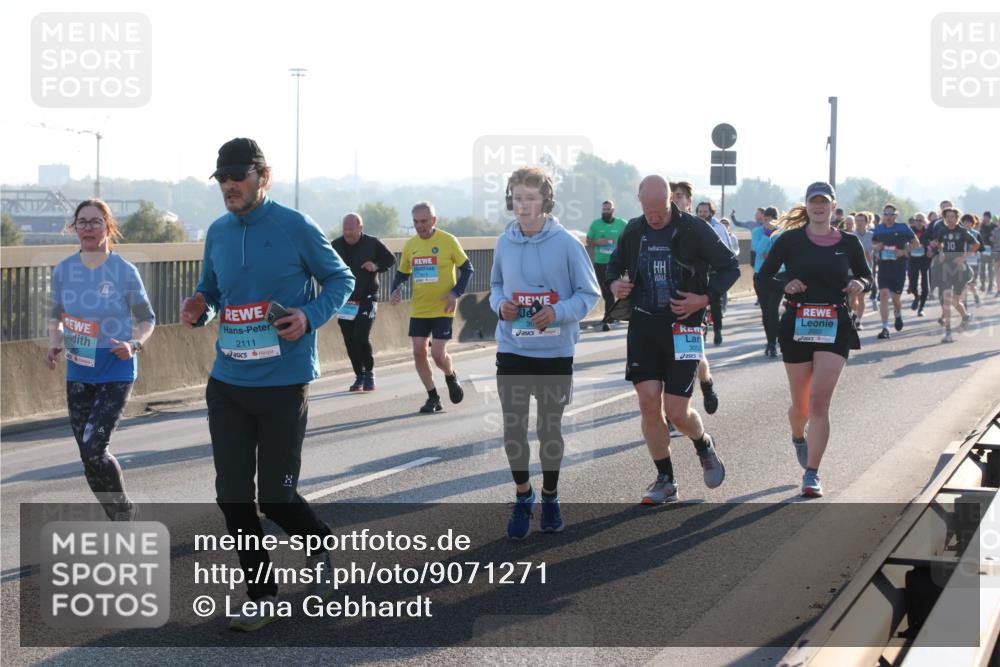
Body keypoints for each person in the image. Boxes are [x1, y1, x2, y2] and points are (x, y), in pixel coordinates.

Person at [180, 138, 356, 631]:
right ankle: (261, 595)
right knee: (233, 496)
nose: (230, 186)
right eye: (223, 179)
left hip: (283, 382)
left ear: (264, 176)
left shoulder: (294, 225)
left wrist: (309, 315)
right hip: (229, 381)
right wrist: (200, 307)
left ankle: (316, 540)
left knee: (275, 498)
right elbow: (212, 291)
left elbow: (341, 280)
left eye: (239, 176)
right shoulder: (216, 232)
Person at [605, 175, 739, 504]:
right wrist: (615, 286)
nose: (654, 217)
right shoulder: (635, 229)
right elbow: (614, 265)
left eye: (660, 210)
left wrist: (703, 299)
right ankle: (665, 479)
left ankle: (703, 443)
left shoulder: (693, 228)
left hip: (685, 326)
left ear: (671, 201)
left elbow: (730, 267)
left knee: (677, 411)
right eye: (647, 210)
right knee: (648, 402)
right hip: (644, 325)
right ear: (640, 203)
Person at [490, 167, 600, 539]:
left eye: (530, 198)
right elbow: (495, 286)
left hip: (554, 352)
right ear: (510, 201)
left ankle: (550, 496)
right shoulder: (504, 242)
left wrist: (557, 312)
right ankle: (524, 495)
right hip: (513, 348)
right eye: (517, 198)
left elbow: (589, 295)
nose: (523, 206)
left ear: (546, 201)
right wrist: (500, 304)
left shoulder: (567, 243)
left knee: (548, 429)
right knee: (513, 428)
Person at [758, 182, 872, 497]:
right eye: (814, 202)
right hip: (797, 322)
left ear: (833, 206)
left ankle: (812, 473)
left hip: (835, 323)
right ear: (807, 205)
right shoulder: (789, 240)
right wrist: (786, 282)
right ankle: (798, 435)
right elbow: (764, 275)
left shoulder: (849, 242)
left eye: (824, 202)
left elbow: (866, 275)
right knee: (801, 405)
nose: (819, 207)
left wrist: (859, 283)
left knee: (819, 402)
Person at [46, 198, 156, 521]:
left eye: (96, 222)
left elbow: (148, 318)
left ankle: (124, 512)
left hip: (116, 368)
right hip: (79, 371)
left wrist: (134, 343)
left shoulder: (124, 271)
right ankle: (119, 516)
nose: (88, 228)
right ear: (74, 227)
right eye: (82, 222)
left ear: (108, 227)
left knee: (94, 445)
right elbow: (56, 316)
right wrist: (54, 343)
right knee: (87, 455)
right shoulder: (65, 270)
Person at [390, 201, 473, 413]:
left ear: (434, 220)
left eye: (424, 221)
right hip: (420, 308)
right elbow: (402, 272)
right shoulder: (411, 245)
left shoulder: (448, 241)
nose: (420, 226)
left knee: (437, 354)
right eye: (416, 222)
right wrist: (396, 288)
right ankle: (433, 397)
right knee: (418, 352)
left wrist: (455, 293)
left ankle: (450, 375)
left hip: (443, 307)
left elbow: (467, 268)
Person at [670, 182, 720, 415]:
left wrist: (706, 294)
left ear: (689, 201)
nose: (674, 200)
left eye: (679, 196)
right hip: (662, 306)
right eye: (670, 195)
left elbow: (725, 262)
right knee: (667, 362)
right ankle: (672, 413)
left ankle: (706, 383)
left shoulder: (700, 229)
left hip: (693, 305)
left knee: (693, 356)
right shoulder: (655, 227)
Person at [331, 212, 396, 391]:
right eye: (345, 229)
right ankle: (359, 376)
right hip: (346, 300)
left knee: (361, 336)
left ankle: (369, 373)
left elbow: (390, 259)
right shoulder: (335, 245)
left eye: (351, 229)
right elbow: (326, 266)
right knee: (349, 339)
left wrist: (375, 266)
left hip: (368, 296)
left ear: (360, 228)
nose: (347, 233)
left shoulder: (372, 243)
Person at [929, 207, 979, 343]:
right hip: (946, 268)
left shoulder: (962, 231)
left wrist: (964, 257)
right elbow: (939, 244)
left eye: (952, 217)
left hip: (960, 270)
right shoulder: (942, 231)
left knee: (955, 301)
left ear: (957, 218)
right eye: (947, 217)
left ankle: (965, 316)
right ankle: (948, 332)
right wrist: (940, 252)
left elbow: (976, 245)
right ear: (944, 218)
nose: (950, 219)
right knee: (946, 300)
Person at [871, 203, 918, 339]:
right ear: (883, 215)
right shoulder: (878, 229)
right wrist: (877, 246)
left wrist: (903, 251)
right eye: (886, 214)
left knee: (896, 299)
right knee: (884, 294)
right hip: (884, 266)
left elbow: (916, 243)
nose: (888, 216)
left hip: (899, 267)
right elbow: (873, 244)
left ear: (896, 215)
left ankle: (898, 314)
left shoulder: (903, 227)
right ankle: (885, 327)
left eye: (891, 214)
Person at [586, 200, 629, 331]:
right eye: (604, 209)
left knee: (615, 289)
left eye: (608, 209)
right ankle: (612, 314)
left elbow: (630, 238)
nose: (606, 211)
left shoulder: (622, 224)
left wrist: (619, 243)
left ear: (613, 210)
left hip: (617, 263)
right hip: (601, 261)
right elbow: (588, 240)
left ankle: (611, 315)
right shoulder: (596, 224)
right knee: (605, 290)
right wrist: (597, 242)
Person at [752, 206, 782, 356]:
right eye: (766, 219)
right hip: (760, 274)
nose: (769, 222)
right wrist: (766, 235)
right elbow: (758, 250)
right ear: (762, 219)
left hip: (778, 275)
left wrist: (774, 234)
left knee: (773, 309)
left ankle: (773, 342)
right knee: (765, 311)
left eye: (772, 219)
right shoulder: (757, 232)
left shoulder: (782, 233)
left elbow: (781, 251)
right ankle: (771, 340)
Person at [853, 212, 875, 328]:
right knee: (853, 297)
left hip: (866, 270)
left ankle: (858, 321)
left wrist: (873, 253)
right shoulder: (851, 236)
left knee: (861, 296)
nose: (859, 223)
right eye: (857, 220)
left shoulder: (872, 235)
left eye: (861, 220)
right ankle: (854, 315)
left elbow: (877, 248)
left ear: (866, 222)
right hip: (851, 270)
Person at [907, 212, 932, 316]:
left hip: (925, 260)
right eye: (916, 220)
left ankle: (921, 307)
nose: (918, 222)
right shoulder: (910, 231)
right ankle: (916, 297)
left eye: (920, 220)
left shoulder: (928, 232)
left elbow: (934, 243)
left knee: (925, 285)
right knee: (912, 284)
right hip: (913, 260)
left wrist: (931, 250)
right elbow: (903, 243)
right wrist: (907, 249)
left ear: (924, 222)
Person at [979, 211, 995, 292]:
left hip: (992, 250)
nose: (984, 218)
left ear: (989, 217)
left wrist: (993, 239)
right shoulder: (982, 226)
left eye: (986, 217)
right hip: (983, 249)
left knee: (990, 269)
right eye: (983, 217)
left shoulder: (994, 226)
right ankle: (982, 284)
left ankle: (990, 285)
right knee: (982, 268)